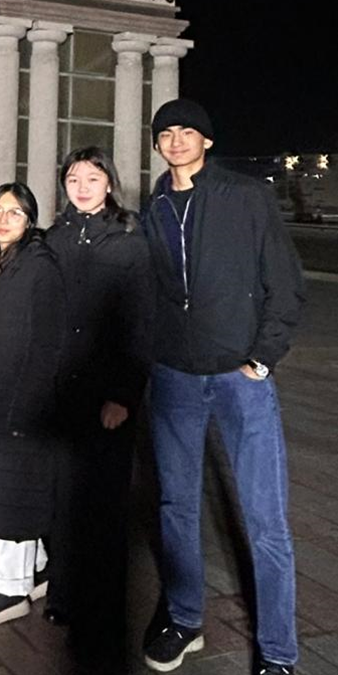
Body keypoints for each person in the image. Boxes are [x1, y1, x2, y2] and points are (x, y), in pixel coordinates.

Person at [141, 99, 303, 675]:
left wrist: (262, 357)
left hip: (240, 378)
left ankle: (278, 653)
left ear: (206, 141)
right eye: (166, 132)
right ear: (157, 144)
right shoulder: (154, 205)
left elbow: (285, 282)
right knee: (176, 507)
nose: (176, 140)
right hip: (175, 377)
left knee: (266, 520)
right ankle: (185, 619)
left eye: (187, 131)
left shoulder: (245, 197)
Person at [43, 148, 154, 667]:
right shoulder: (56, 237)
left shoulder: (129, 242)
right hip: (64, 389)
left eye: (93, 177)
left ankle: (102, 602)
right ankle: (63, 593)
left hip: (107, 392)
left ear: (109, 183)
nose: (82, 186)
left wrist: (124, 395)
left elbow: (141, 323)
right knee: (64, 495)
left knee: (105, 502)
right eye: (73, 178)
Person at [0, 182, 66, 628]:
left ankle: (10, 587)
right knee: (10, 488)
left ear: (30, 220)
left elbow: (48, 341)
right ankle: (36, 568)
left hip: (17, 400)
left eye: (15, 212)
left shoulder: (37, 266)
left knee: (11, 494)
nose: (3, 219)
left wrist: (28, 405)